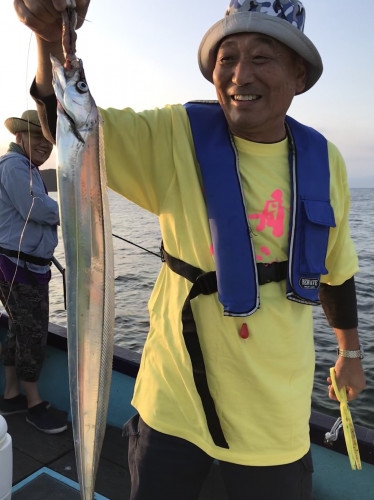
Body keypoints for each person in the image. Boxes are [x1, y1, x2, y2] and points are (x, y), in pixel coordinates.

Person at [15, 0, 366, 498]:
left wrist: (349, 352)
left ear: (299, 74)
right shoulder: (175, 135)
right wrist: (49, 40)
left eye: (263, 57)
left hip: (274, 423)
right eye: (228, 58)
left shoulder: (324, 160)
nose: (240, 74)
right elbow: (74, 127)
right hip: (173, 409)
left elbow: (335, 269)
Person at [0, 109, 67, 434]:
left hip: (19, 266)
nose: (45, 144)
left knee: (18, 328)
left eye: (48, 140)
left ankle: (11, 394)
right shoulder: (14, 166)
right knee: (33, 333)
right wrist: (76, 208)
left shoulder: (24, 167)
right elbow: (34, 207)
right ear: (20, 136)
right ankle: (34, 404)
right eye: (37, 136)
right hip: (18, 267)